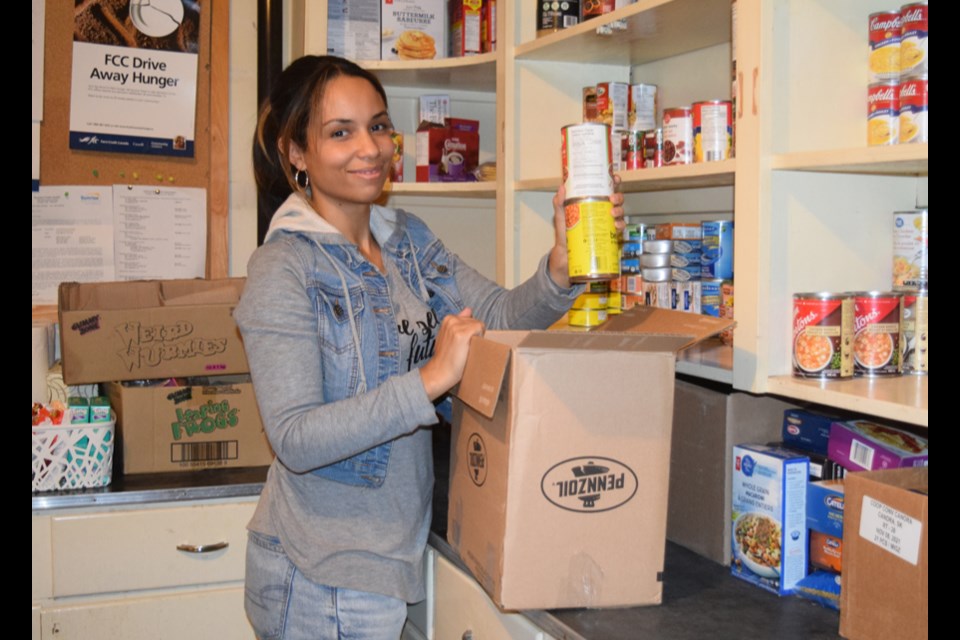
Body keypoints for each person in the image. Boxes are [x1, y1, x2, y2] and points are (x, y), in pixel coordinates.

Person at [234, 55, 624, 640]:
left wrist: (560, 269)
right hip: (322, 573)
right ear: (296, 152)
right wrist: (432, 378)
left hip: (396, 550)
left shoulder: (408, 240)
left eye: (379, 126)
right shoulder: (281, 268)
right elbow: (296, 438)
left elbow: (495, 317)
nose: (370, 147)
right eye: (340, 132)